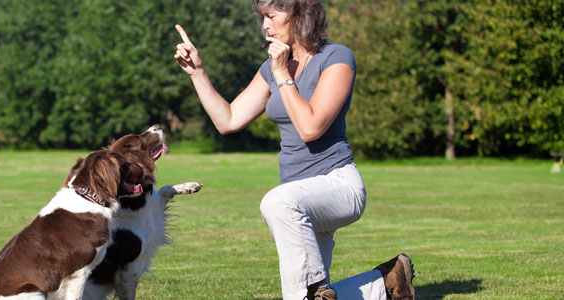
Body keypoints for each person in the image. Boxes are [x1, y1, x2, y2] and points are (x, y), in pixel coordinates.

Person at [172, 0, 416, 299]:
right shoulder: (270, 69)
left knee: (277, 203)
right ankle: (388, 281)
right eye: (262, 18)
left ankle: (314, 291)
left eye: (271, 16)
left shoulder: (337, 58)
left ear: (300, 15)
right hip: (297, 201)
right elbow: (229, 120)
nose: (265, 25)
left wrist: (282, 74)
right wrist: (198, 73)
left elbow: (310, 127)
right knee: (299, 295)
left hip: (337, 185)